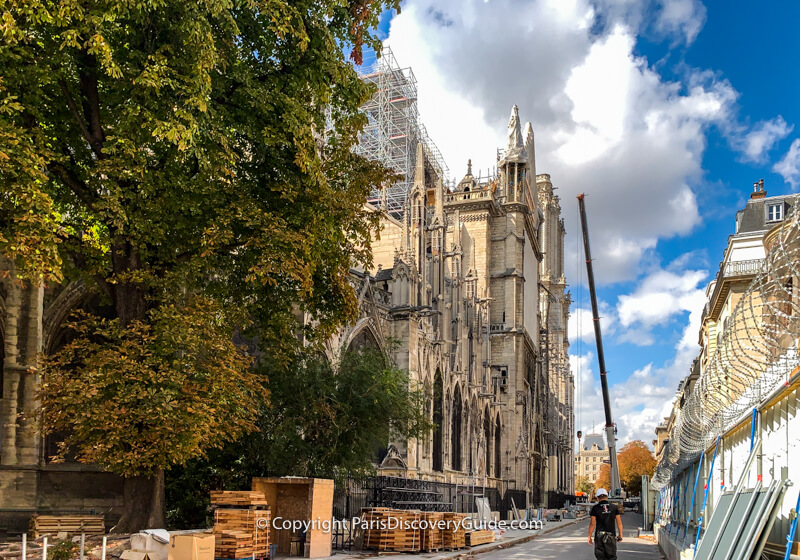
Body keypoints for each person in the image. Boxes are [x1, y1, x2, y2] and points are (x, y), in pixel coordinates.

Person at [587, 488, 623, 560]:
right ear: (607, 497)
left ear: (597, 498)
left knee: (600, 556)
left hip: (599, 535)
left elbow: (592, 524)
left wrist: (589, 536)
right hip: (611, 535)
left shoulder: (595, 508)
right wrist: (620, 535)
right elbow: (619, 522)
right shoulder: (614, 507)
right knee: (612, 556)